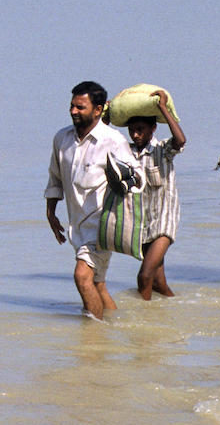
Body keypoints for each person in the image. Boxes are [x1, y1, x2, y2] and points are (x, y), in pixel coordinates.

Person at [44, 81, 140, 319]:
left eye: (80, 107)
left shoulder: (112, 140)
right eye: (72, 106)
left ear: (98, 110)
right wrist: (50, 212)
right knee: (97, 284)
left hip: (101, 223)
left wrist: (123, 180)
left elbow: (137, 178)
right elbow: (55, 178)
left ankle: (93, 340)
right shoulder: (62, 139)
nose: (73, 111)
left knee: (82, 277)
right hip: (76, 223)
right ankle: (112, 330)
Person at [125, 89, 186, 300]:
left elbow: (180, 140)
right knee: (159, 284)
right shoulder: (127, 153)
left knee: (144, 277)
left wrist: (163, 108)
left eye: (140, 130)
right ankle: (175, 311)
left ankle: (144, 330)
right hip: (142, 225)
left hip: (163, 223)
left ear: (153, 129)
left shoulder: (162, 150)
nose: (135, 135)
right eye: (132, 130)